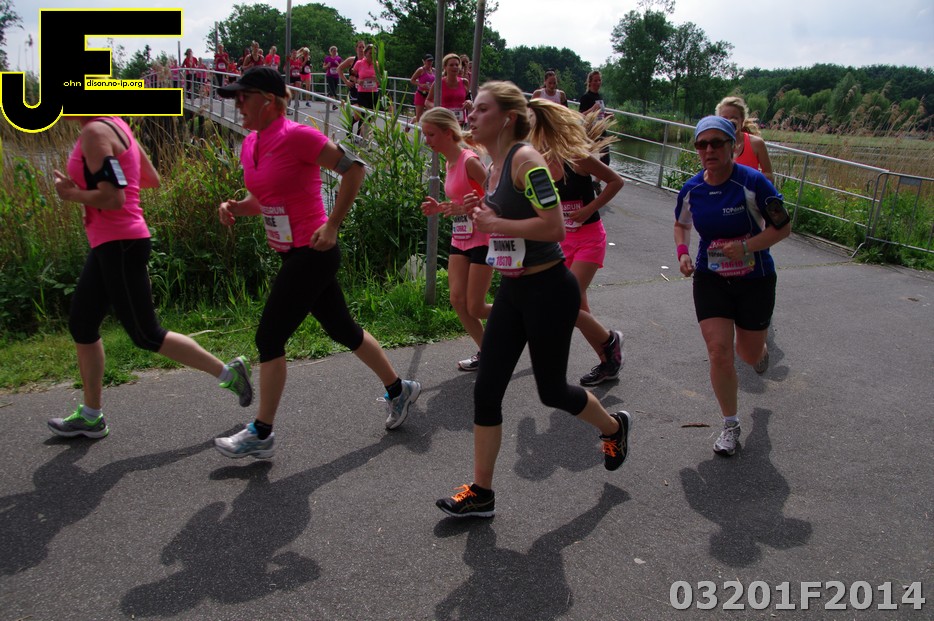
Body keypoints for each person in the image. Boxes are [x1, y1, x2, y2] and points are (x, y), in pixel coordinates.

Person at [435, 81, 632, 518]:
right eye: (472, 108)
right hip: (513, 289)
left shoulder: (526, 160)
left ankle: (613, 427)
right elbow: (503, 218)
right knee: (487, 390)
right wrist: (479, 213)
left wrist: (496, 223)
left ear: (507, 118)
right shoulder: (493, 165)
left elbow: (554, 226)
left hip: (549, 290)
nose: (471, 115)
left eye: (481, 109)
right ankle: (482, 493)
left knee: (552, 392)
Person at [214, 68, 420, 459]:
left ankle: (261, 432)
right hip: (290, 252)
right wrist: (236, 207)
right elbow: (266, 199)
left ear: (268, 101)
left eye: (243, 96)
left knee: (269, 338)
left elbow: (355, 169)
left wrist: (333, 224)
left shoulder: (298, 136)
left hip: (314, 251)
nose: (237, 104)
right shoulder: (251, 143)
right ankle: (400, 390)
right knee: (343, 329)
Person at [47, 116, 253, 439]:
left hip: (120, 244)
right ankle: (90, 416)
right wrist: (102, 187)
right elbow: (150, 178)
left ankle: (230, 373)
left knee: (146, 334)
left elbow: (114, 198)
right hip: (110, 243)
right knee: (82, 325)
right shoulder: (117, 125)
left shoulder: (95, 132)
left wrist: (72, 194)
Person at [673, 116, 791, 456]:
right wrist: (682, 253)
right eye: (701, 144)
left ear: (733, 145)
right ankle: (731, 425)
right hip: (711, 278)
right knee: (718, 351)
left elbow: (783, 227)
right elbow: (681, 225)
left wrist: (746, 247)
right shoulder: (692, 189)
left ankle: (760, 351)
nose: (708, 150)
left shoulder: (752, 183)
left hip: (755, 279)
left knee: (747, 353)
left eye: (716, 143)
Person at [530, 109, 626, 386]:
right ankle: (609, 361)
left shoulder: (576, 157)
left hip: (589, 240)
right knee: (578, 308)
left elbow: (616, 181)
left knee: (566, 302)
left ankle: (611, 340)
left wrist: (589, 208)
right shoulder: (536, 162)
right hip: (561, 243)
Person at [419, 107, 492, 372]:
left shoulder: (469, 160)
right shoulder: (449, 163)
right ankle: (488, 353)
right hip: (461, 237)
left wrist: (463, 208)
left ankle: (521, 313)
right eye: (425, 134)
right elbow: (462, 199)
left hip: (483, 236)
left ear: (448, 133)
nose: (426, 140)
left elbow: (497, 196)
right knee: (457, 300)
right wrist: (441, 207)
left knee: (476, 306)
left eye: (431, 134)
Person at [716, 96, 774, 182]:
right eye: (725, 118)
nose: (729, 122)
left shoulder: (756, 143)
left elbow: (769, 175)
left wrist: (748, 180)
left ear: (742, 120)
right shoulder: (713, 144)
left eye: (734, 118)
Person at [577, 70, 612, 193]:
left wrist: (607, 115)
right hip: (590, 132)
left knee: (606, 159)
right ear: (590, 82)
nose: (598, 83)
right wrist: (592, 109)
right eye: (595, 80)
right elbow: (581, 115)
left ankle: (595, 183)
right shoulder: (586, 97)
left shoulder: (599, 97)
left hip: (601, 130)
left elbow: (599, 114)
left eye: (599, 80)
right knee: (585, 158)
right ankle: (582, 182)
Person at [426, 53, 472, 127]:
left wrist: (469, 103)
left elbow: (467, 99)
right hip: (443, 122)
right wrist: (438, 109)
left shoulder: (464, 82)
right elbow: (427, 101)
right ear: (445, 67)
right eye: (451, 65)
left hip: (459, 123)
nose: (455, 67)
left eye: (457, 65)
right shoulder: (438, 83)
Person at [409, 53, 435, 125]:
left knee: (432, 113)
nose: (430, 62)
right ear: (424, 61)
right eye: (428, 61)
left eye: (431, 61)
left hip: (430, 95)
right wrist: (421, 85)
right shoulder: (421, 70)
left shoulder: (434, 71)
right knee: (419, 118)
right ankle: (412, 121)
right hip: (421, 94)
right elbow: (412, 80)